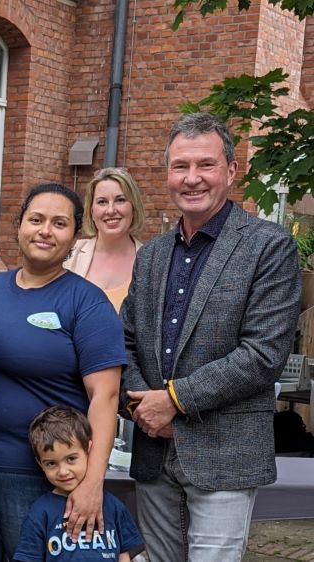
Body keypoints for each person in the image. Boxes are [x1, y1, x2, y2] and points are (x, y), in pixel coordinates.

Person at [121, 112, 301, 562]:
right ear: (167, 174)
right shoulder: (153, 255)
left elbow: (263, 354)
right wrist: (144, 405)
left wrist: (173, 400)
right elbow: (123, 340)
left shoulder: (269, 245)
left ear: (232, 171)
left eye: (206, 165)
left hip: (226, 453)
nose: (192, 178)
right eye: (180, 166)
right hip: (154, 449)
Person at [0, 183, 125, 562]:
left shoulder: (87, 302)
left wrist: (92, 481)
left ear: (75, 236)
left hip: (41, 479)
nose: (45, 230)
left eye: (59, 223)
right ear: (19, 225)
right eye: (36, 219)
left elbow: (104, 397)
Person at [13, 406, 143, 562]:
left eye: (71, 459)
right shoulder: (40, 512)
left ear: (88, 449)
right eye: (51, 463)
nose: (63, 471)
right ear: (40, 464)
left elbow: (124, 554)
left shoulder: (114, 506)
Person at [63, 168, 146, 312]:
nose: (111, 210)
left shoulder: (150, 261)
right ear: (91, 210)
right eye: (102, 202)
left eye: (120, 200)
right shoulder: (68, 255)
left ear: (133, 206)